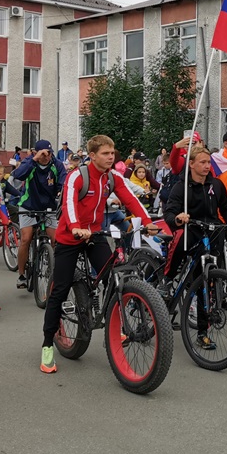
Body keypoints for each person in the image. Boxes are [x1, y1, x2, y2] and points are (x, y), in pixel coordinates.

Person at [41, 134, 156, 373]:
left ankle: (115, 327)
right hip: (70, 236)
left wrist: (147, 221)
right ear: (92, 156)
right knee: (60, 289)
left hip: (94, 234)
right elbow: (69, 204)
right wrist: (74, 227)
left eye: (112, 153)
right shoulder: (77, 175)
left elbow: (131, 200)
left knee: (112, 277)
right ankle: (47, 344)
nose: (110, 157)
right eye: (105, 153)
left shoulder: (112, 178)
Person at [163, 144, 227, 348]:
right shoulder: (182, 186)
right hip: (191, 229)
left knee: (206, 284)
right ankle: (167, 280)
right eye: (203, 162)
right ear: (191, 164)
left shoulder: (216, 184)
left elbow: (225, 206)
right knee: (179, 240)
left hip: (212, 233)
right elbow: (170, 211)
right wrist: (178, 218)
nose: (207, 166)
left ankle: (202, 332)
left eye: (209, 162)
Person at [12, 140, 64, 289]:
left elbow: (63, 180)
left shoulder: (56, 164)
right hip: (28, 206)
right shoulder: (30, 162)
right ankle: (21, 275)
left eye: (49, 153)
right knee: (26, 238)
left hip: (49, 207)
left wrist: (61, 191)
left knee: (55, 240)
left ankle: (56, 271)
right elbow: (19, 175)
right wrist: (34, 159)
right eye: (43, 154)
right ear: (36, 153)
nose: (47, 156)